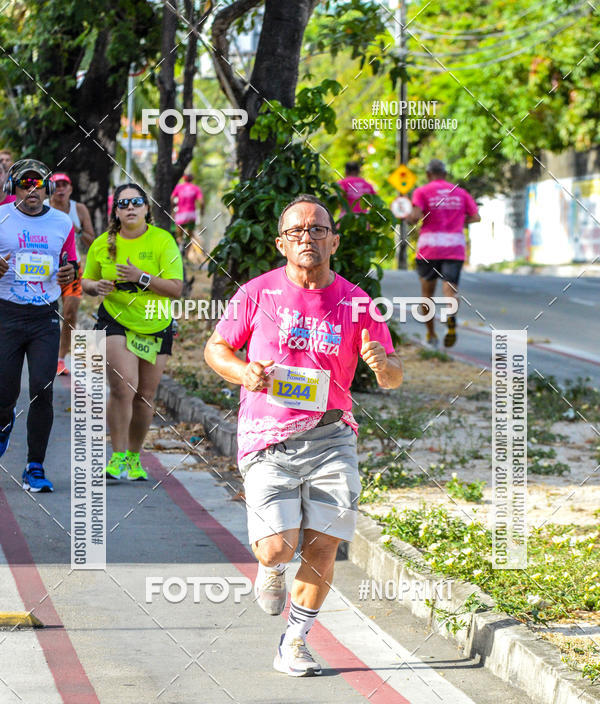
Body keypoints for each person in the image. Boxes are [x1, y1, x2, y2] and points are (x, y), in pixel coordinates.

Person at [205, 194, 403, 677]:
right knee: (277, 546)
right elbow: (216, 349)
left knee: (323, 546)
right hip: (269, 437)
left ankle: (294, 640)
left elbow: (395, 374)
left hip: (332, 437)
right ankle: (269, 567)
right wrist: (243, 372)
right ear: (280, 243)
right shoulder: (257, 293)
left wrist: (383, 367)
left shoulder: (357, 302)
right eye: (296, 232)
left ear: (334, 239)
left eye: (317, 229)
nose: (307, 238)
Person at [81, 183, 183, 482]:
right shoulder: (103, 243)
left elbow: (176, 289)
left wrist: (142, 277)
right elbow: (87, 280)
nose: (130, 208)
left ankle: (135, 457)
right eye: (123, 204)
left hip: (155, 322)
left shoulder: (163, 241)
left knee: (145, 395)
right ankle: (118, 456)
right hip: (115, 319)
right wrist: (95, 287)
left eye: (136, 202)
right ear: (116, 211)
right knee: (123, 387)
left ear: (146, 208)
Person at [0, 159, 76, 492]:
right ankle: (4, 421)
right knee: (5, 393)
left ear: (46, 188)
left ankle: (35, 466)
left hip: (45, 315)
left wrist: (70, 277)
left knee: (42, 390)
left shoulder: (62, 222)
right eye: (24, 183)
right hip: (6, 314)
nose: (32, 190)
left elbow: (71, 267)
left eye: (38, 183)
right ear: (12, 187)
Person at [408, 159, 480, 348]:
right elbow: (476, 216)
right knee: (450, 291)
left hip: (429, 247)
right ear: (446, 174)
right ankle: (450, 318)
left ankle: (431, 335)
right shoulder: (460, 192)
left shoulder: (422, 191)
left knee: (427, 294)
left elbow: (414, 217)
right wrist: (458, 222)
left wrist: (408, 217)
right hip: (454, 246)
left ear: (428, 174)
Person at [49, 172, 95, 375]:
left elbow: (92, 240)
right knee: (45, 314)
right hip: (44, 269)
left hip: (73, 268)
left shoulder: (79, 209)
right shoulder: (42, 206)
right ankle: (42, 354)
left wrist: (76, 229)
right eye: (56, 185)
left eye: (64, 185)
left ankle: (60, 359)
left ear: (70, 189)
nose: (60, 189)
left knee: (70, 313)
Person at [171, 173, 204, 256]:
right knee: (189, 236)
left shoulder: (179, 187)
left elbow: (172, 199)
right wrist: (202, 211)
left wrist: (174, 207)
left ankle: (180, 246)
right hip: (191, 215)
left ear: (184, 179)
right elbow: (201, 202)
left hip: (181, 214)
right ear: (192, 179)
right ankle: (185, 253)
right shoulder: (195, 188)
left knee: (179, 235)